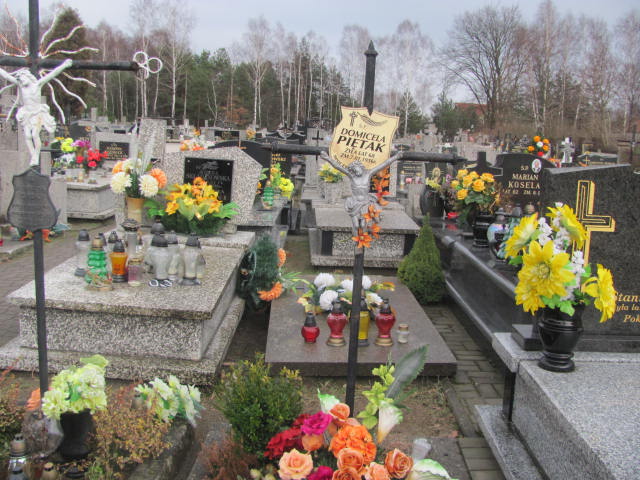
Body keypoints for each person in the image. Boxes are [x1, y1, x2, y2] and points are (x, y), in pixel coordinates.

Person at [0, 58, 73, 165]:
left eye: (22, 79)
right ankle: (33, 156)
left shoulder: (37, 85)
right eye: (20, 80)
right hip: (26, 114)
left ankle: (36, 156)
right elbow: (7, 76)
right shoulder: (21, 86)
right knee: (27, 136)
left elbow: (52, 74)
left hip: (37, 113)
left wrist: (64, 65)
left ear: (28, 77)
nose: (21, 81)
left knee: (34, 134)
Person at [320, 150, 403, 233]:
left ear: (361, 167)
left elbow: (383, 165)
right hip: (354, 203)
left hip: (365, 203)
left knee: (363, 225)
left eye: (358, 170)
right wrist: (327, 158)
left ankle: (363, 239)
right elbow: (338, 167)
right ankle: (355, 239)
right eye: (355, 171)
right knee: (356, 225)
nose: (357, 172)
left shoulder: (368, 174)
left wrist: (396, 157)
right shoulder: (352, 177)